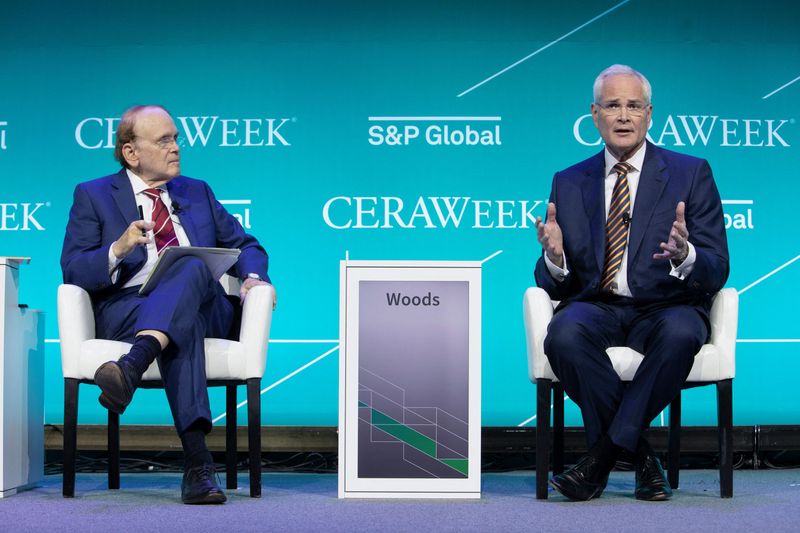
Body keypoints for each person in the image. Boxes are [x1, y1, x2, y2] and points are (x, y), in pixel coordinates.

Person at [61, 105, 275, 504]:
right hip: (130, 308)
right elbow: (72, 269)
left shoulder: (197, 191)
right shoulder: (93, 195)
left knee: (191, 266)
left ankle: (132, 365)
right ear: (131, 152)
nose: (176, 147)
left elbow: (246, 244)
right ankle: (197, 464)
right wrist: (116, 249)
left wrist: (253, 278)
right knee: (183, 324)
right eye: (164, 141)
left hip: (207, 305)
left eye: (176, 138)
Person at [534, 65, 729, 501]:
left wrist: (686, 255)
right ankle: (642, 457)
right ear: (594, 115)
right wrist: (555, 257)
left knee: (682, 333)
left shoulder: (690, 172)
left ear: (649, 114)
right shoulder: (569, 181)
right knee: (563, 335)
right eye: (612, 105)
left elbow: (717, 267)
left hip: (667, 306)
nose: (623, 115)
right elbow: (550, 282)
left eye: (633, 106)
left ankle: (600, 459)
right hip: (598, 305)